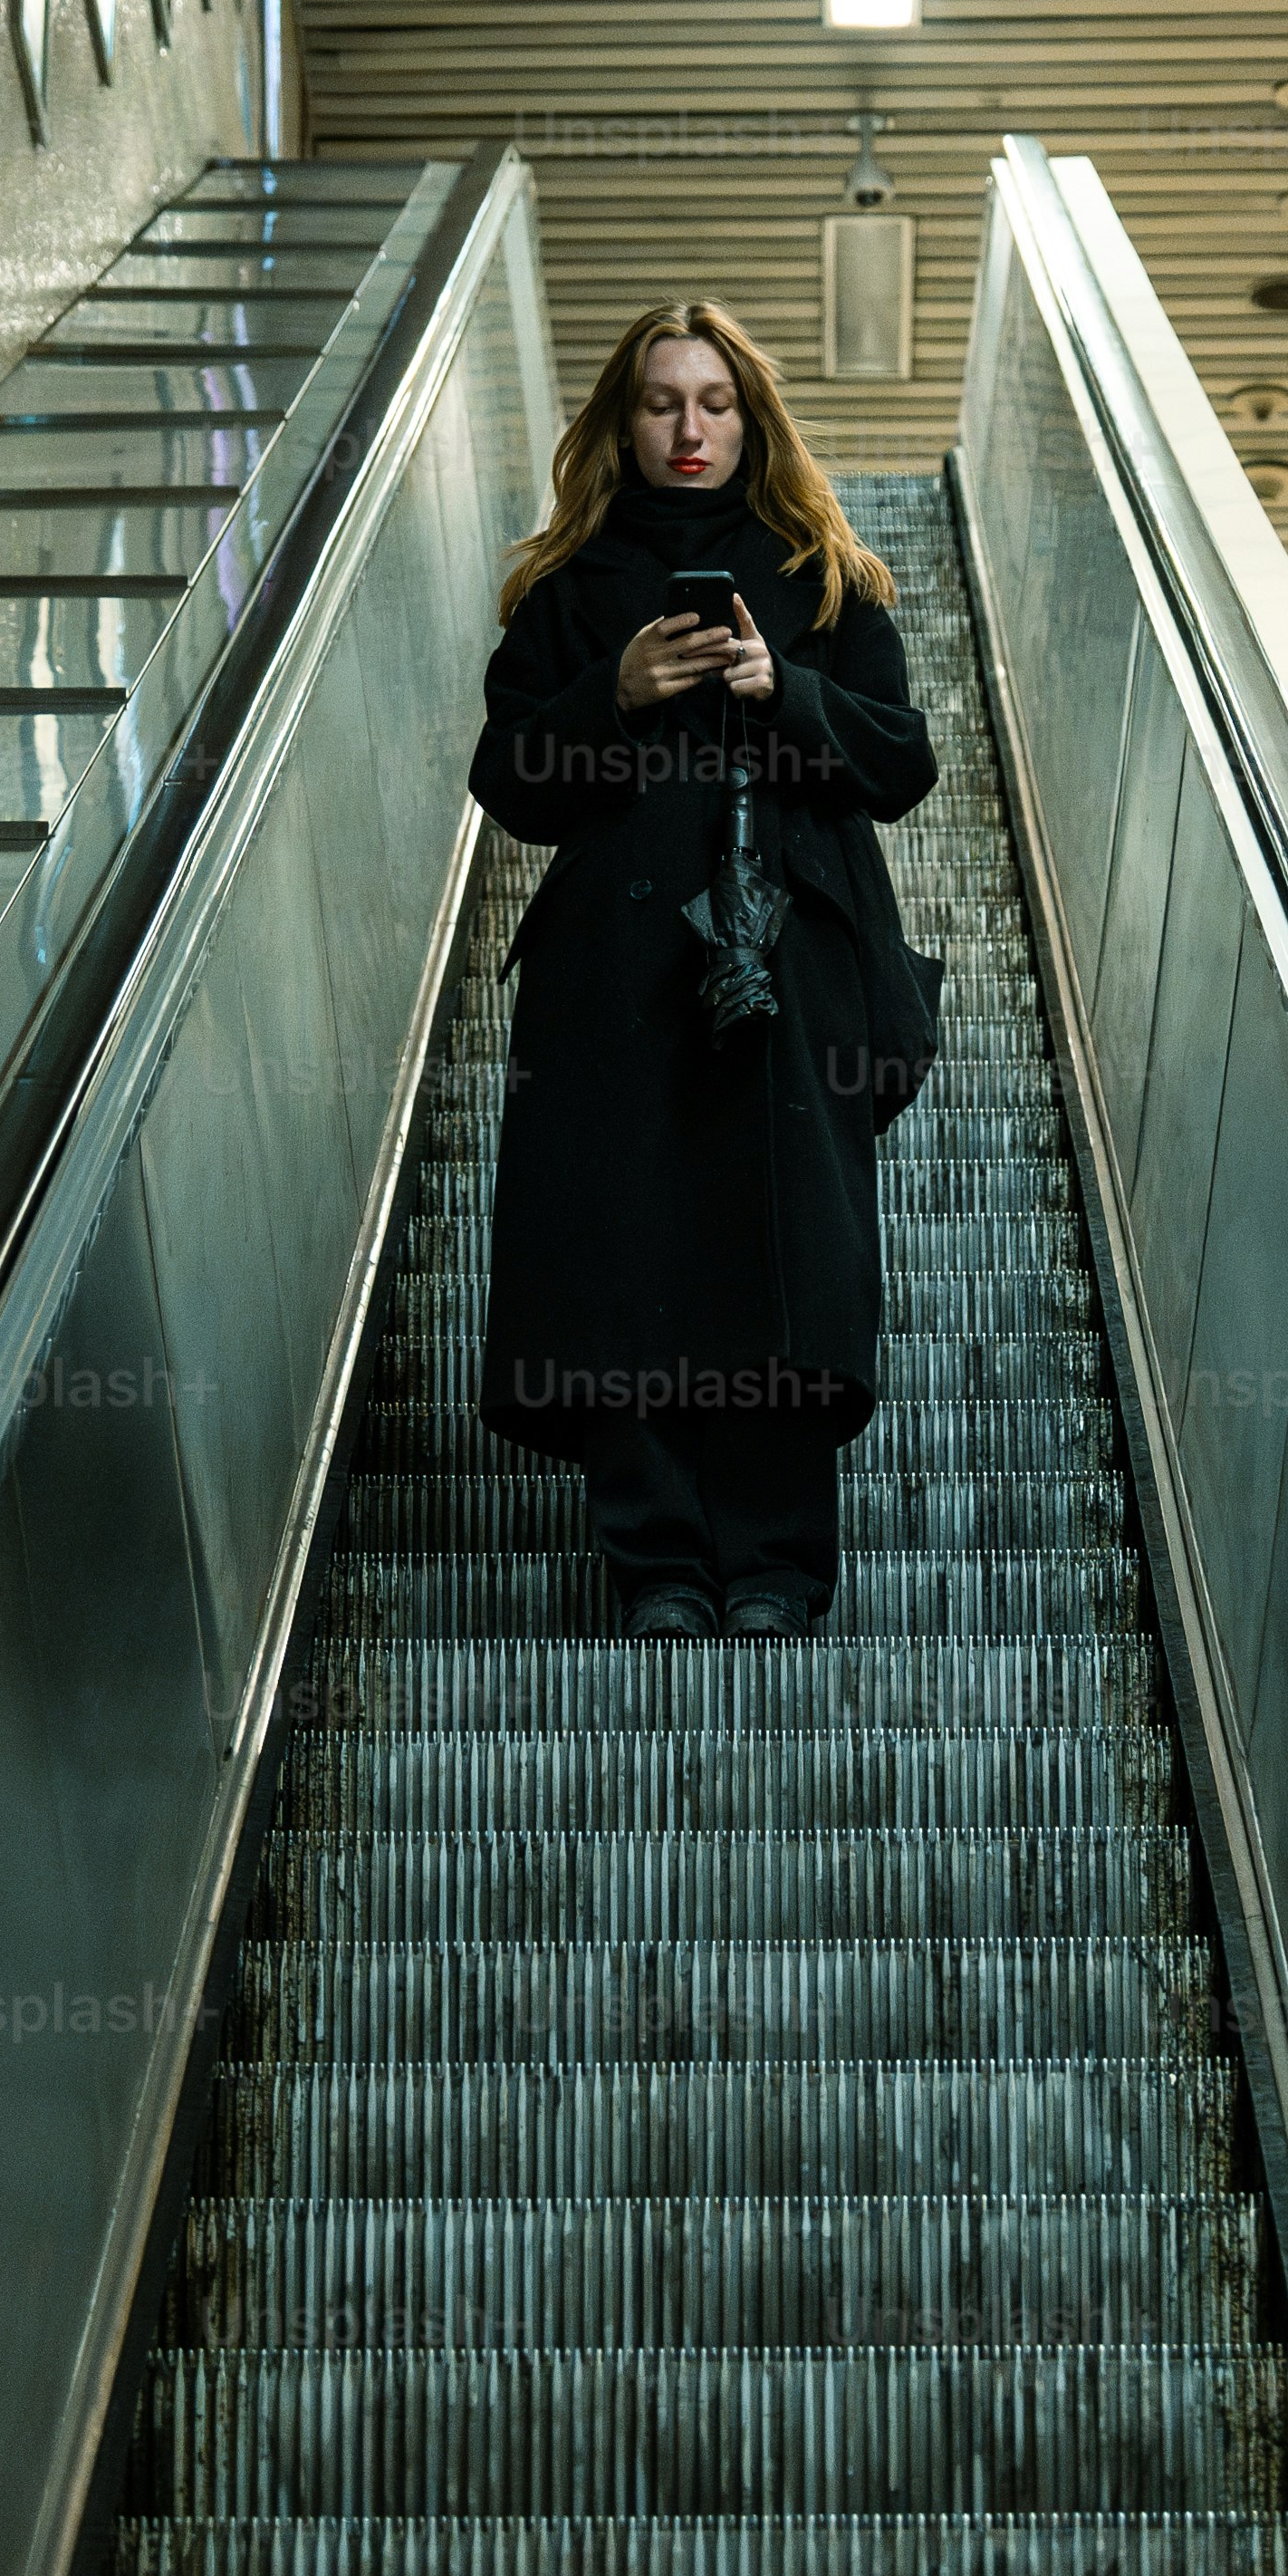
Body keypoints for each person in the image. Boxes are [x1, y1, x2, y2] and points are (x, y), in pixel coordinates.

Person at [461, 298, 942, 1638]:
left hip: (783, 973)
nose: (689, 427)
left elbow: (901, 763)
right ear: (624, 422)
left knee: (776, 1254)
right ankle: (658, 1561)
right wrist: (608, 694)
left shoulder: (825, 572)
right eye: (662, 401)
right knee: (623, 1256)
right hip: (611, 982)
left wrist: (776, 685)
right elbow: (510, 782)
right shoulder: (568, 588)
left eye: (715, 401)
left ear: (752, 418)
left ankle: (780, 1563)